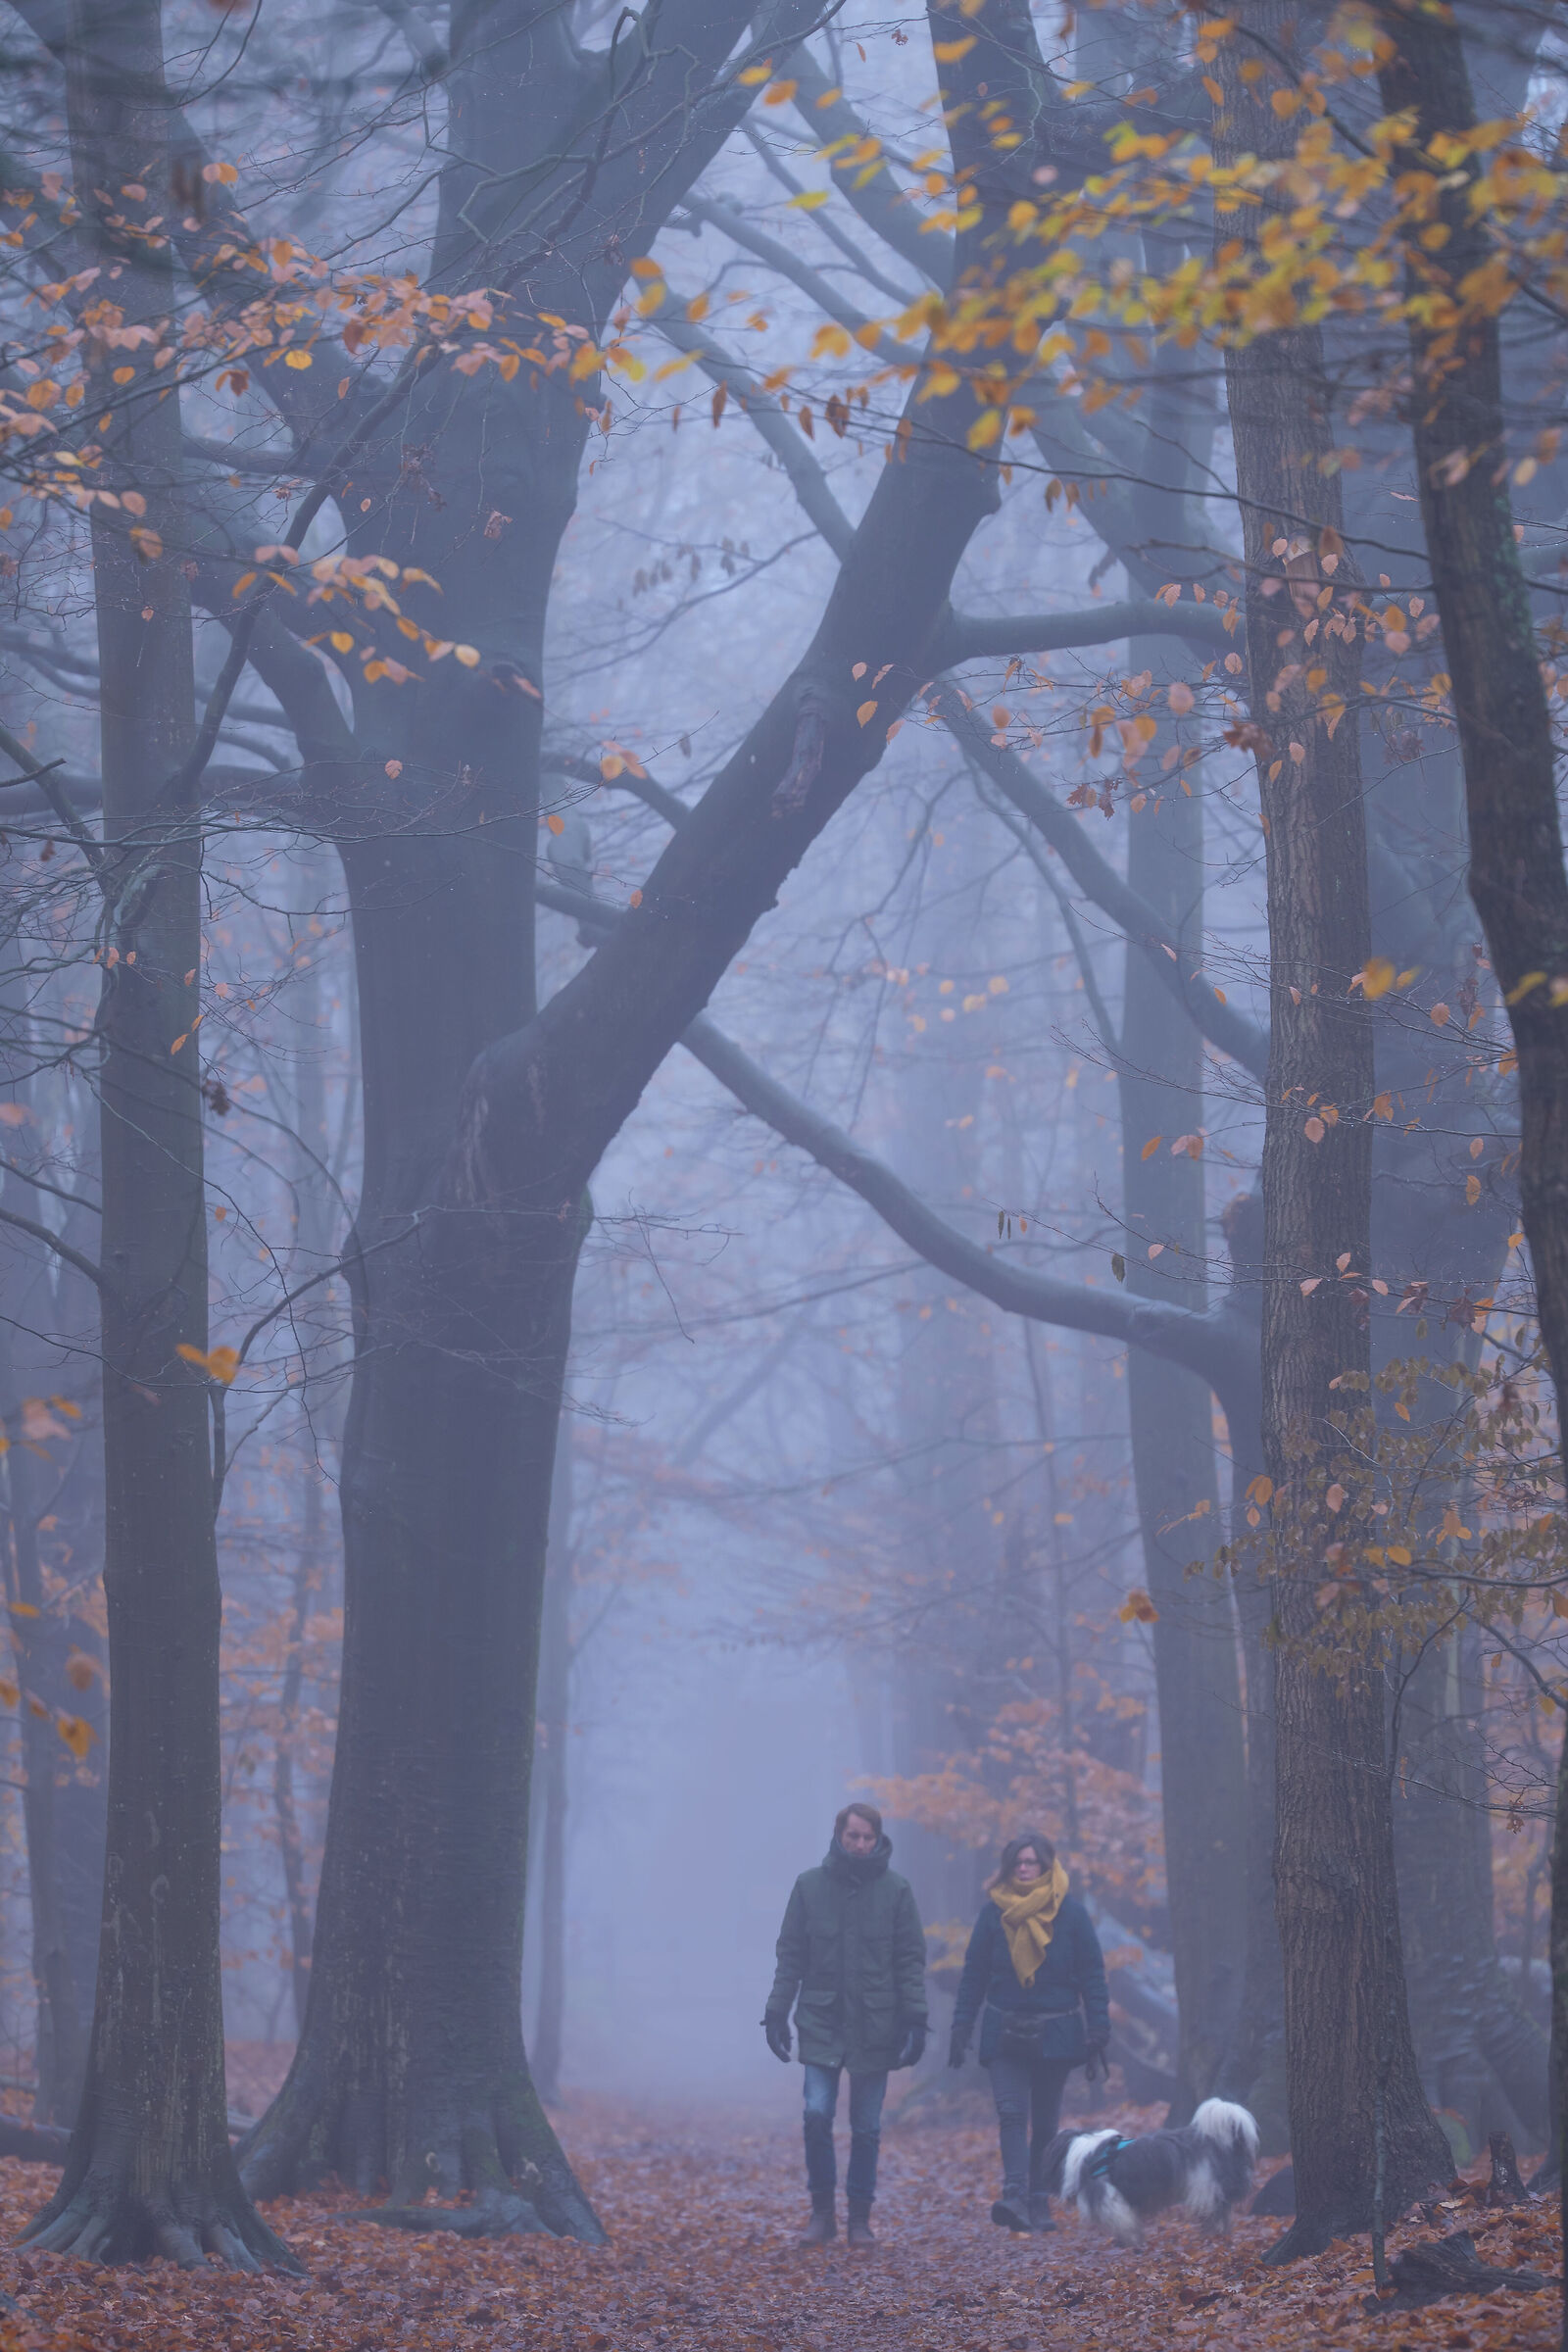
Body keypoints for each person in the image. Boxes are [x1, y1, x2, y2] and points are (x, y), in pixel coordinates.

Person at [762, 1801, 928, 2247]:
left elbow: (909, 1960)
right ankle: (822, 2213)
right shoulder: (809, 1887)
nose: (859, 1844)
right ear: (839, 1835)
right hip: (821, 2019)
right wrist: (777, 2011)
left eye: (867, 1837)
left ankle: (859, 2219)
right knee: (817, 2114)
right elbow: (790, 1955)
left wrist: (915, 2018)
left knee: (866, 2126)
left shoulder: (896, 1891)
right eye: (853, 1836)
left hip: (876, 2023)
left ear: (877, 1839)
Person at [948, 1830, 1109, 2234]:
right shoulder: (992, 1914)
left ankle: (1040, 2199)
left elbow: (1092, 1972)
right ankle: (1015, 2194)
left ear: (1045, 1866)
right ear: (1008, 1867)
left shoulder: (1071, 1914)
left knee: (1046, 2122)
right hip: (1004, 2028)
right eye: (1017, 1862)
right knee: (1011, 2113)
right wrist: (962, 2024)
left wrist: (1098, 2026)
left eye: (1031, 1862)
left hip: (1057, 2030)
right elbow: (974, 1973)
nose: (1023, 1868)